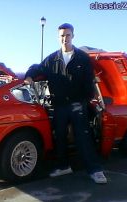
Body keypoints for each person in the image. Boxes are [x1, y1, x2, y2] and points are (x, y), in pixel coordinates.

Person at [24, 23, 107, 184]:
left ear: (73, 36)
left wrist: (84, 100)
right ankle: (63, 166)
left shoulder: (82, 58)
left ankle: (95, 170)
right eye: (62, 35)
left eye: (67, 35)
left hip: (77, 104)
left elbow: (89, 81)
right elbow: (36, 68)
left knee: (83, 137)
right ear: (58, 37)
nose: (65, 38)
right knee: (59, 137)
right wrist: (29, 76)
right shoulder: (52, 59)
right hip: (59, 105)